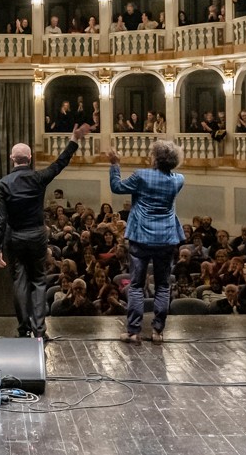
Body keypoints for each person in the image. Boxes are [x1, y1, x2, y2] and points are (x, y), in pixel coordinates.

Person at [0, 123, 90, 340]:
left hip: (15, 236)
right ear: (30, 158)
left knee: (19, 281)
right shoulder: (38, 178)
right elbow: (60, 163)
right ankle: (39, 330)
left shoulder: (3, 184)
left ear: (12, 158)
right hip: (37, 235)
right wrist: (74, 140)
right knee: (38, 281)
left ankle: (23, 328)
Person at [109, 139, 184, 345]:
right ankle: (158, 332)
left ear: (155, 158)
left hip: (141, 236)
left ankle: (133, 331)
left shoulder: (141, 176)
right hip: (166, 237)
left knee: (135, 285)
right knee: (162, 285)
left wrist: (115, 164)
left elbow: (117, 187)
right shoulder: (178, 180)